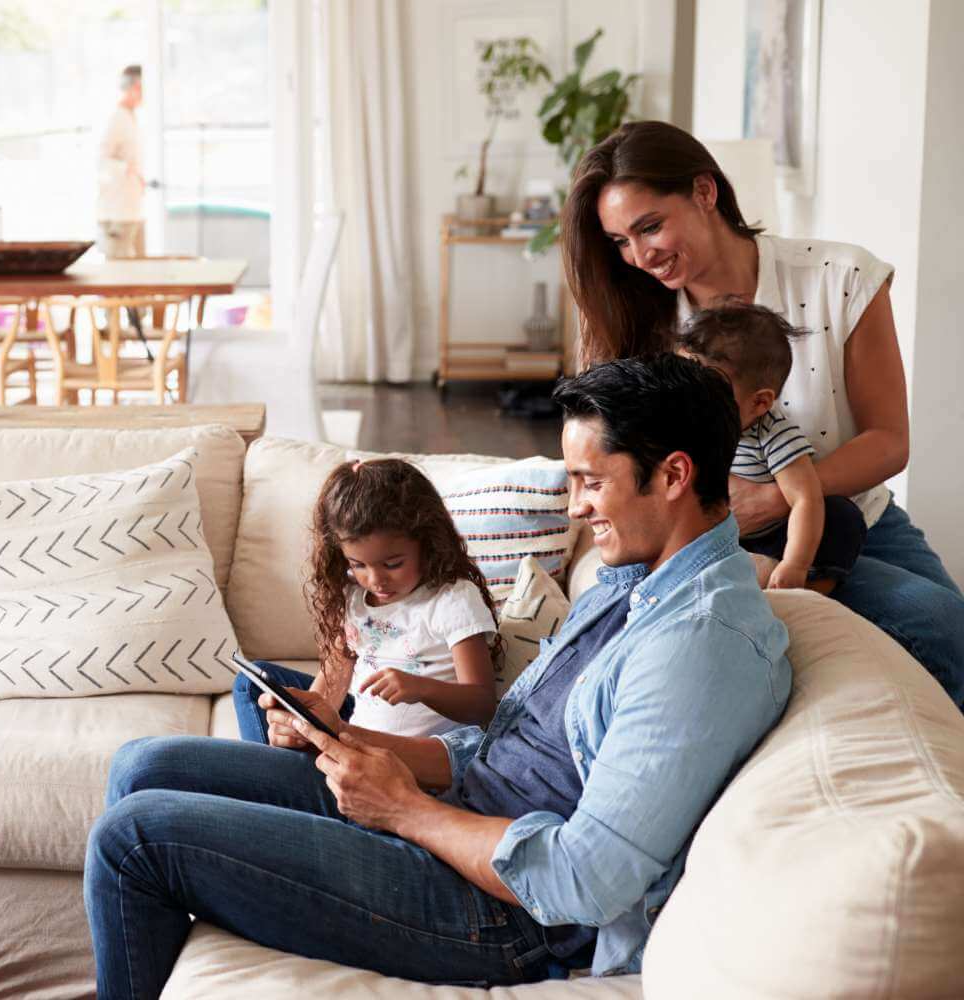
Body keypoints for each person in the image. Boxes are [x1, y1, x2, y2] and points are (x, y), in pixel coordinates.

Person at [84, 354, 790, 999]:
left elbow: (586, 881)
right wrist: (353, 739)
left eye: (591, 481)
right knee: (145, 764)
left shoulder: (699, 647)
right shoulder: (630, 580)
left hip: (500, 908)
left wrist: (402, 809)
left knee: (135, 838)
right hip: (454, 810)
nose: (576, 505)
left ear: (672, 475)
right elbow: (499, 743)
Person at [563, 119, 964, 706]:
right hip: (723, 541)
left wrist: (783, 494)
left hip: (858, 517)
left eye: (650, 226)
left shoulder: (840, 278)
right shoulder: (641, 322)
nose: (639, 255)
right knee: (939, 626)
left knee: (950, 630)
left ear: (705, 192)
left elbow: (887, 440)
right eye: (620, 241)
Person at [233, 458, 499, 745]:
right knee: (252, 685)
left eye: (393, 564)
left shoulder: (452, 599)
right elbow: (328, 693)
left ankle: (274, 775)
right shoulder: (353, 597)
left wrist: (420, 688)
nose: (375, 580)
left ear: (427, 542)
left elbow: (483, 704)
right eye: (357, 565)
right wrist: (302, 727)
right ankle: (279, 767)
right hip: (352, 742)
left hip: (404, 761)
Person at [676, 303, 867, 594]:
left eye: (709, 390)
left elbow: (805, 498)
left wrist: (795, 563)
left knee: (841, 515)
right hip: (713, 536)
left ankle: (811, 588)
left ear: (760, 403)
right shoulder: (683, 425)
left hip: (773, 538)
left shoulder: (772, 433)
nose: (690, 400)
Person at [96, 65, 146, 259]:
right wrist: (127, 169)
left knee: (138, 276)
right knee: (119, 274)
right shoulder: (115, 118)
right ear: (136, 87)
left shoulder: (131, 117)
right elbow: (100, 161)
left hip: (132, 210)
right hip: (116, 213)